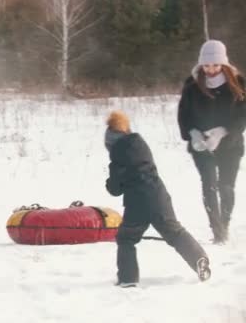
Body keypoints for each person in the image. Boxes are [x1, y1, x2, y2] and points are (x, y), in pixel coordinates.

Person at [105, 110, 210, 287]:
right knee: (175, 232)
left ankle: (127, 279)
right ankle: (200, 259)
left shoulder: (118, 156)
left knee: (126, 238)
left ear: (110, 142)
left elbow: (114, 189)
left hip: (137, 203)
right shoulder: (139, 144)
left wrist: (111, 178)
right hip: (159, 196)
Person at [178, 40, 246, 244]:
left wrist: (223, 131)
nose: (211, 70)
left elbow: (243, 116)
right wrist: (193, 133)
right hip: (202, 145)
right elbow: (184, 114)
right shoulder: (191, 84)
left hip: (230, 145)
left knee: (226, 186)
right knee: (209, 185)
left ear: (223, 64)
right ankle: (217, 232)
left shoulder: (238, 82)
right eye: (207, 65)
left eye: (215, 65)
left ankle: (224, 224)